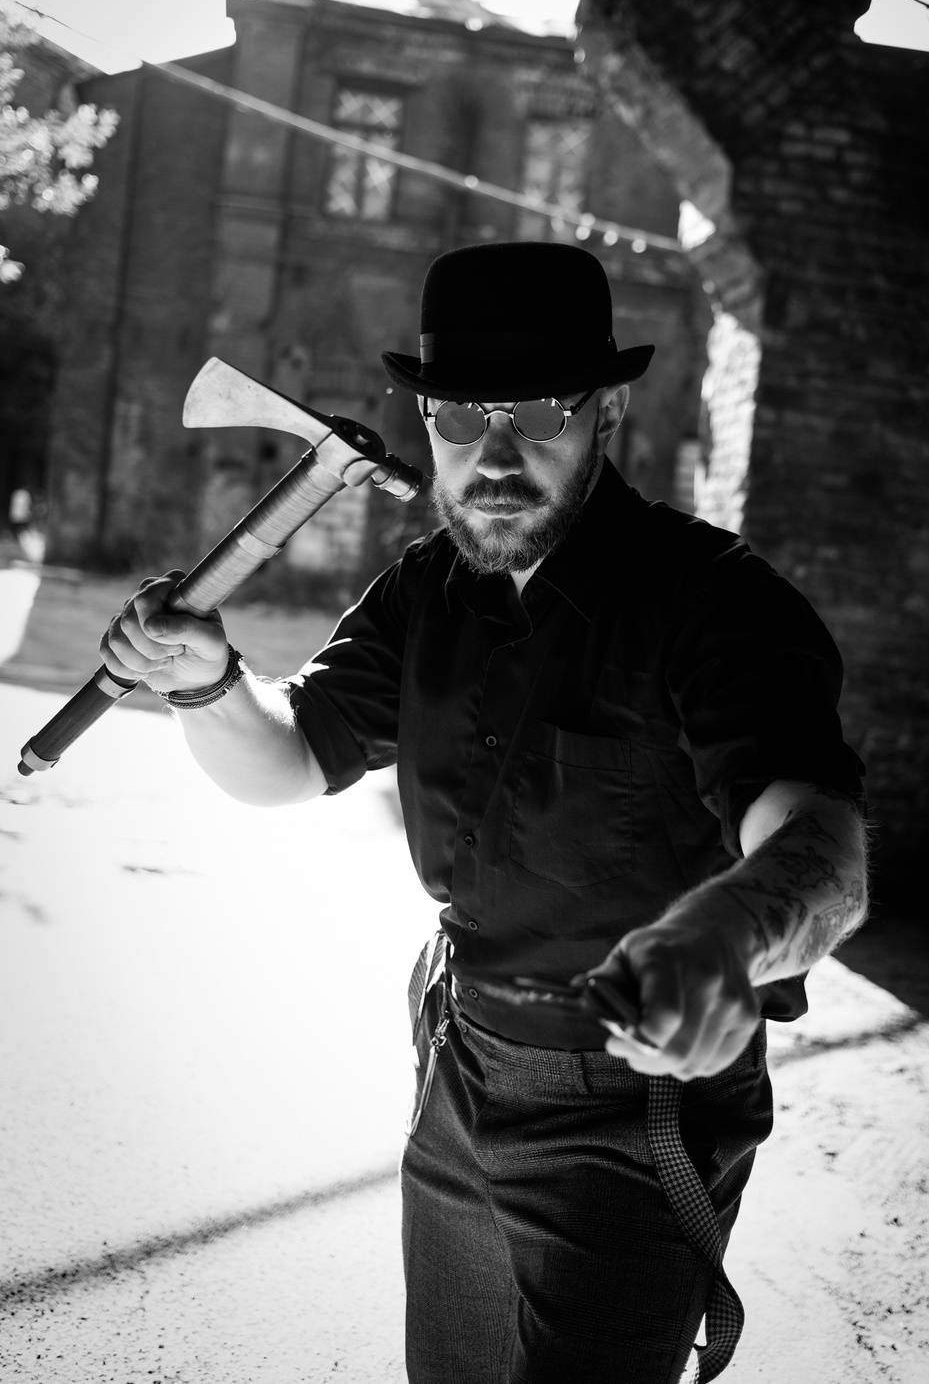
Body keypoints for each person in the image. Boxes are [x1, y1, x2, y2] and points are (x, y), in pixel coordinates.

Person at [100, 242, 868, 1384]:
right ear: (426, 419)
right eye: (461, 417)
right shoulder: (428, 589)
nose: (494, 456)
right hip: (457, 1059)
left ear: (606, 410)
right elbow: (288, 762)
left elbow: (820, 849)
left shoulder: (716, 605)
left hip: (629, 1108)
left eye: (539, 413)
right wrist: (207, 684)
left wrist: (725, 936)